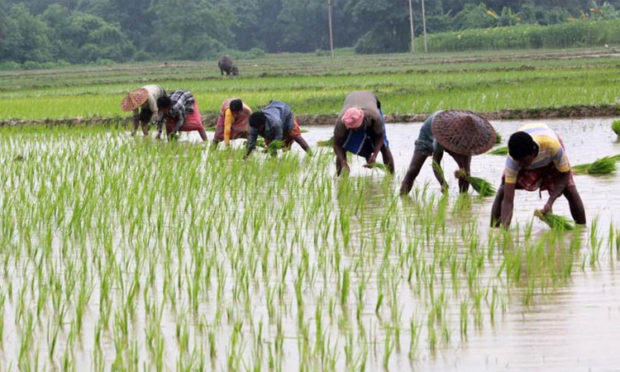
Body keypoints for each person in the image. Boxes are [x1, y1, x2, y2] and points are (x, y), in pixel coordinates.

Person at [490, 123, 586, 227]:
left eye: (523, 161)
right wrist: (505, 233)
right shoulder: (513, 161)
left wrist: (550, 202)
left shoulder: (552, 146)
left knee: (570, 190)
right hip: (529, 145)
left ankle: (582, 229)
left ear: (533, 152)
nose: (520, 165)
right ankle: (494, 229)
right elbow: (508, 200)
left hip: (549, 153)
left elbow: (565, 174)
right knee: (502, 191)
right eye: (517, 161)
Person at [400, 110, 496, 195]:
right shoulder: (442, 135)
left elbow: (466, 171)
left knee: (465, 172)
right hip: (428, 133)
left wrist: (463, 174)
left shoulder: (468, 141)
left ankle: (463, 198)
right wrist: (442, 182)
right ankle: (402, 196)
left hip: (454, 137)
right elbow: (435, 163)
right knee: (413, 169)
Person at [333, 91, 395, 176]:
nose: (354, 131)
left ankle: (391, 177)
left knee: (384, 146)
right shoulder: (341, 122)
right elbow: (336, 144)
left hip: (370, 100)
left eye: (356, 128)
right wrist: (344, 162)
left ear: (362, 121)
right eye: (351, 128)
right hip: (351, 99)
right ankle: (339, 177)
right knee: (343, 146)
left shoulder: (374, 117)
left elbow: (380, 137)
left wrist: (374, 156)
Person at [245, 100, 310, 157]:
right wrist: (246, 156)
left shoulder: (275, 123)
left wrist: (268, 149)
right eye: (255, 128)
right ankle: (274, 161)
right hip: (273, 116)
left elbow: (277, 139)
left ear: (262, 124)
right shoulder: (254, 126)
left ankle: (312, 155)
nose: (256, 130)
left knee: (295, 135)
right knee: (269, 143)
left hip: (286, 115)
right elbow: (251, 142)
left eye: (258, 128)